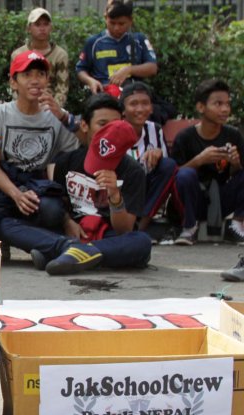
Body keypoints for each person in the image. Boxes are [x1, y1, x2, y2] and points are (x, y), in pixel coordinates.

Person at [27, 97, 151, 275]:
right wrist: (67, 222)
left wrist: (115, 195)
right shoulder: (67, 161)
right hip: (72, 233)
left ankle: (74, 253)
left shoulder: (133, 171)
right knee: (38, 220)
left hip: (109, 236)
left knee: (141, 242)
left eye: (115, 124)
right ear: (85, 126)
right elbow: (58, 205)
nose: (109, 131)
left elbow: (124, 229)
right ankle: (77, 253)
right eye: (102, 124)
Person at [0, 50, 79, 243]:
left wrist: (63, 117)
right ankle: (40, 241)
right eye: (27, 75)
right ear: (13, 82)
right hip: (3, 182)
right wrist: (17, 195)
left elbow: (77, 151)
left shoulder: (57, 115)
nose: (35, 81)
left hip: (37, 184)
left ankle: (10, 236)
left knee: (53, 212)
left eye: (40, 74)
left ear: (47, 80)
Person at [171, 79, 244, 245]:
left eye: (227, 104)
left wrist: (235, 163)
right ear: (201, 107)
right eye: (218, 104)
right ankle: (189, 228)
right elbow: (173, 176)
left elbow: (238, 176)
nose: (225, 109)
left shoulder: (233, 135)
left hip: (220, 200)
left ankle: (236, 226)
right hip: (192, 200)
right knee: (186, 174)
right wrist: (199, 160)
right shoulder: (185, 137)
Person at [120, 81, 177, 241]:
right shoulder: (115, 131)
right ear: (123, 110)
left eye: (145, 103)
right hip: (122, 192)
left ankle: (141, 226)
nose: (140, 109)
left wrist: (159, 153)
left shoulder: (155, 129)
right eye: (133, 104)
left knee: (168, 165)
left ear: (151, 108)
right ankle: (128, 226)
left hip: (147, 193)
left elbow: (166, 171)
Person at [76, 0, 157, 95]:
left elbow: (152, 68)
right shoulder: (93, 42)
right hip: (103, 95)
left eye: (121, 24)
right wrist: (90, 81)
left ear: (130, 21)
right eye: (112, 23)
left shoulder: (139, 40)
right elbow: (81, 70)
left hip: (133, 94)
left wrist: (129, 70)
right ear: (106, 18)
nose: (116, 28)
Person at [11, 8, 68, 107]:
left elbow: (62, 88)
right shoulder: (18, 54)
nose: (42, 28)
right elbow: (14, 87)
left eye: (46, 24)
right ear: (29, 28)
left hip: (50, 107)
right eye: (37, 25)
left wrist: (53, 108)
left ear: (51, 27)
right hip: (23, 106)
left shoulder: (60, 55)